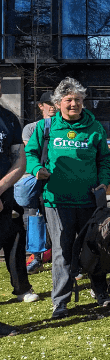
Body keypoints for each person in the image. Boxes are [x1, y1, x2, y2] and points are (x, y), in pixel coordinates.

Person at [26, 78, 110, 319]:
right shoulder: (46, 128)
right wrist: (35, 169)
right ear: (58, 103)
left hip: (89, 199)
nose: (74, 104)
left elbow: (105, 158)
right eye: (68, 100)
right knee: (62, 251)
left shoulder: (95, 127)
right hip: (56, 200)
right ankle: (60, 301)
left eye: (78, 99)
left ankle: (100, 292)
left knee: (94, 248)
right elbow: (29, 153)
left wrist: (104, 180)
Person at [0, 78, 38, 310]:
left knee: (14, 238)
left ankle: (22, 287)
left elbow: (20, 160)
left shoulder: (9, 119)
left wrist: (1, 188)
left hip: (6, 194)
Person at [21, 91, 56, 275]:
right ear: (40, 106)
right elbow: (30, 152)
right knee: (35, 217)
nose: (52, 107)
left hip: (58, 178)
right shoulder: (31, 128)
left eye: (54, 103)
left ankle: (63, 256)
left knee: (58, 218)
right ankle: (36, 257)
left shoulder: (62, 126)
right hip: (37, 179)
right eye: (47, 103)